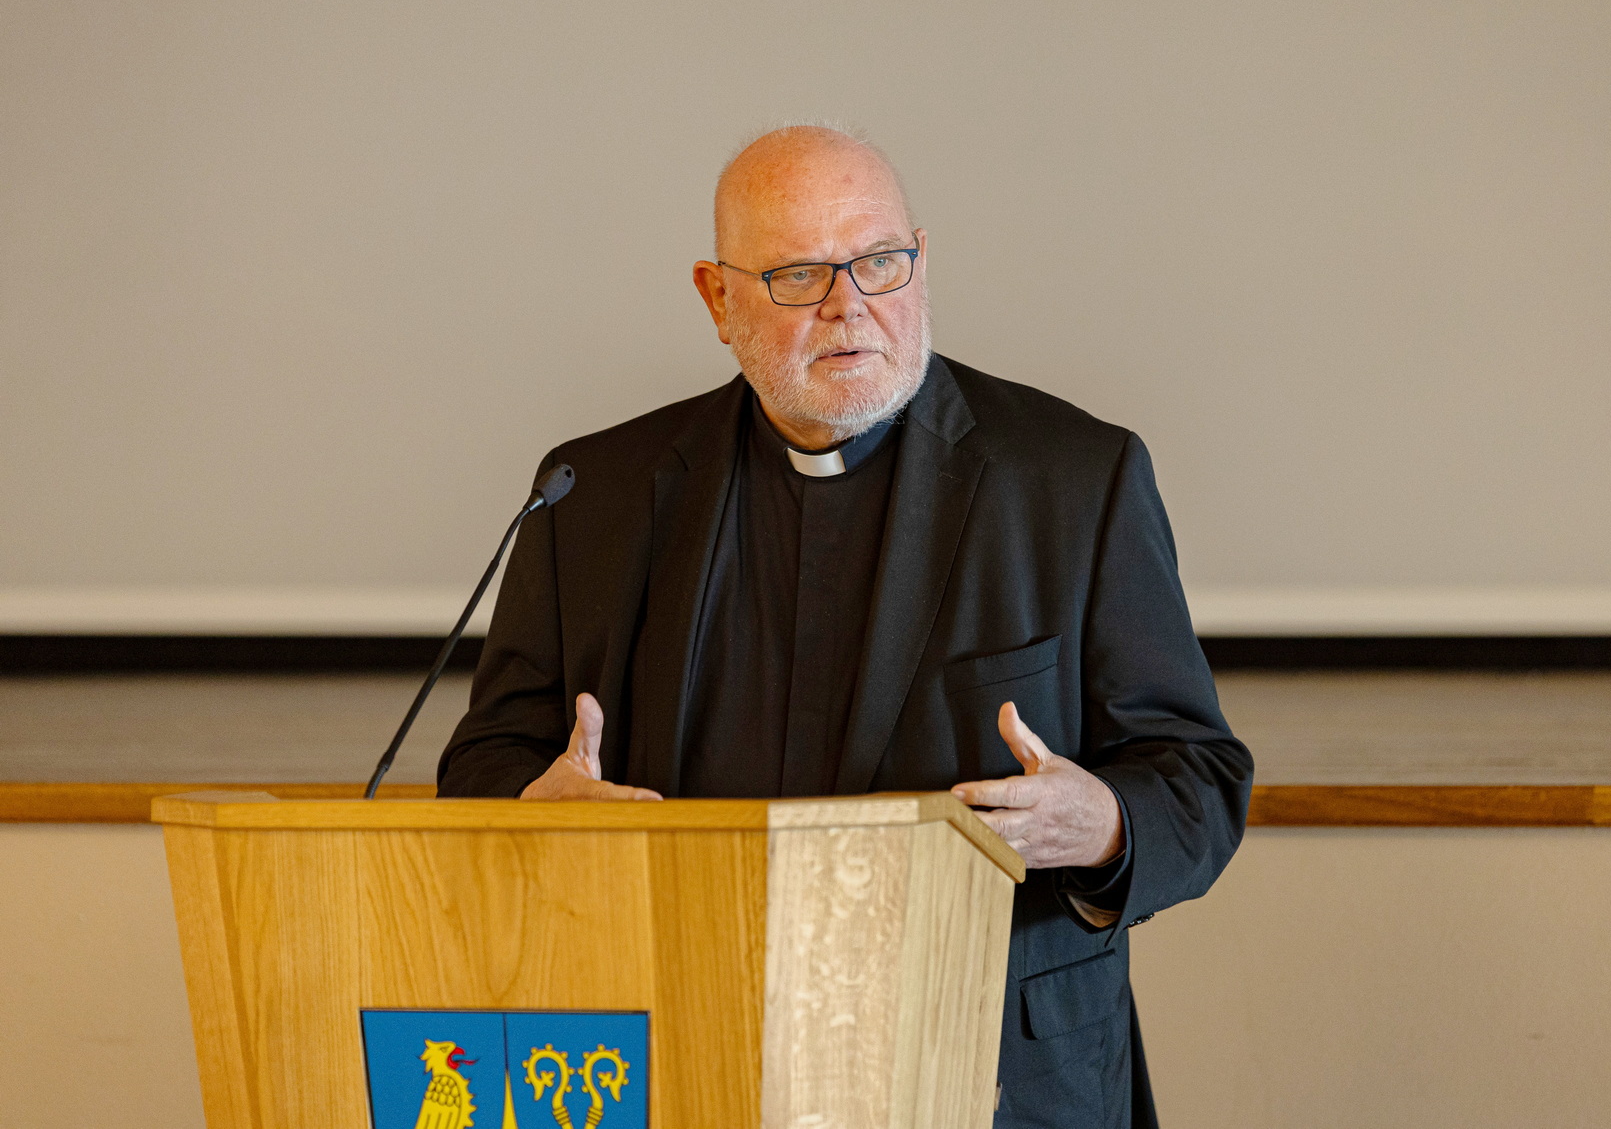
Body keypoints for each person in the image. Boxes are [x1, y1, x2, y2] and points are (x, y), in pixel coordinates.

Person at [438, 124, 1252, 1127]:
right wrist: (533, 804)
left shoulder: (1074, 478)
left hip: (987, 1068)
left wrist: (1101, 823)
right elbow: (487, 757)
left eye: (878, 262)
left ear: (920, 260)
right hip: (683, 1042)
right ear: (717, 298)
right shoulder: (593, 493)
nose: (849, 306)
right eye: (798, 275)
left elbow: (1198, 777)